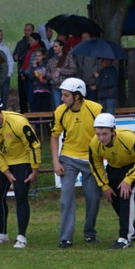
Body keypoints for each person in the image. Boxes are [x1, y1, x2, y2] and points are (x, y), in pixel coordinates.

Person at [0, 93, 40, 249]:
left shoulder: (18, 122)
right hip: (4, 161)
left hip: (22, 160)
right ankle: (2, 235)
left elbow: (33, 145)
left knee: (21, 196)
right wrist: (5, 171)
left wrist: (34, 170)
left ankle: (21, 237)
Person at [50, 77, 103, 248]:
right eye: (62, 94)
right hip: (68, 158)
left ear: (77, 96)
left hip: (91, 159)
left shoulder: (96, 109)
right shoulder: (60, 111)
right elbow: (54, 136)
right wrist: (55, 161)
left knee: (94, 197)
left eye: (66, 95)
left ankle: (89, 232)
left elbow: (105, 133)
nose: (62, 98)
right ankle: (65, 238)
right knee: (66, 197)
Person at [87, 113, 135, 250]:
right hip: (114, 167)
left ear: (113, 131)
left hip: (132, 166)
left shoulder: (128, 138)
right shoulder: (94, 143)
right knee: (114, 198)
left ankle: (125, 238)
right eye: (98, 134)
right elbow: (95, 164)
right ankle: (134, 231)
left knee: (125, 196)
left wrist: (128, 180)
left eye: (105, 134)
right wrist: (104, 185)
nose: (101, 138)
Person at [45, 39, 77, 108]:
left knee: (68, 106)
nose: (54, 48)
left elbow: (73, 70)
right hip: (55, 86)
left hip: (66, 87)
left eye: (56, 47)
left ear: (61, 47)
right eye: (53, 47)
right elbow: (46, 73)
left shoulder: (68, 58)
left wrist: (61, 70)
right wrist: (51, 75)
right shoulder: (51, 60)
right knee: (58, 107)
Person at [13, 23, 35, 113]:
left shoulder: (38, 43)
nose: (26, 32)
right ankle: (24, 112)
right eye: (25, 30)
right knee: (22, 95)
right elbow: (14, 55)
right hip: (21, 72)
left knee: (32, 96)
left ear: (33, 31)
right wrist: (15, 56)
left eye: (28, 30)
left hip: (32, 74)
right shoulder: (20, 43)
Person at [0, 29, 14, 103]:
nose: (0, 37)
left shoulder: (6, 48)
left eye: (1, 35)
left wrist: (9, 73)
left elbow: (10, 61)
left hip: (5, 76)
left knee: (4, 97)